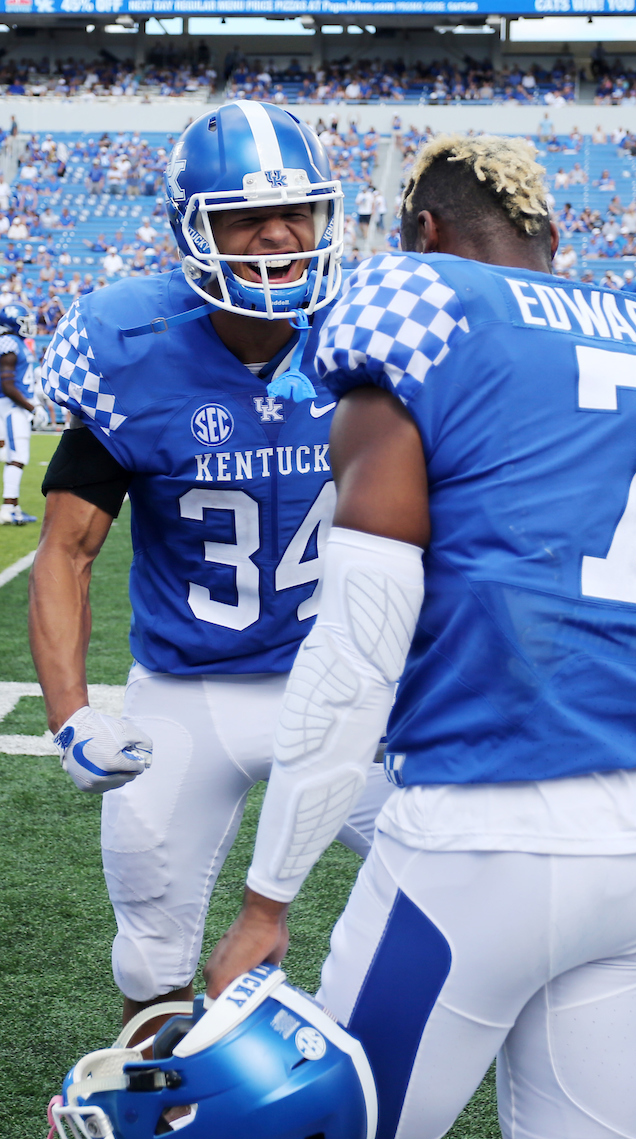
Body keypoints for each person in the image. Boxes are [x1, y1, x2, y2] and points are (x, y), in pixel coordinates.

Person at [205, 133, 636, 1139]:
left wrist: (266, 902)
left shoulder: (426, 316)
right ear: (551, 236)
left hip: (471, 846)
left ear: (423, 232)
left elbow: (354, 657)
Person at [30, 101, 392, 1042]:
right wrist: (71, 716)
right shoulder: (130, 343)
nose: (278, 235)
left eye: (296, 212)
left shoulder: (370, 329)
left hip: (345, 682)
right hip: (189, 688)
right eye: (245, 217)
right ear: (193, 230)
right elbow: (67, 550)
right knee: (151, 951)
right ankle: (156, 1108)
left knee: (453, 880)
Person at [0, 303, 48, 525]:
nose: (28, 325)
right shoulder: (8, 342)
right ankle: (7, 509)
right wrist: (33, 407)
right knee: (17, 457)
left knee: (16, 457)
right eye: (23, 321)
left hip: (17, 406)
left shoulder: (18, 342)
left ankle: (13, 507)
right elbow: (8, 385)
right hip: (12, 407)